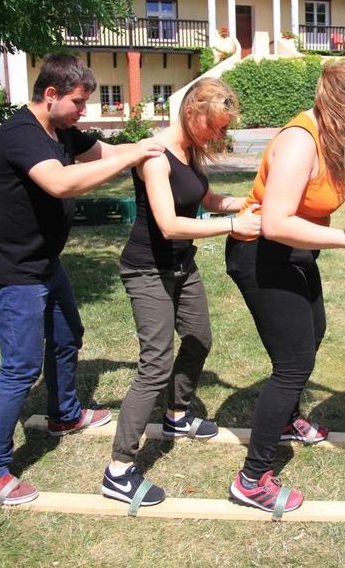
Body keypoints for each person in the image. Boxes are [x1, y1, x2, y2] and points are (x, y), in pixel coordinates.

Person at [0, 54, 164, 507]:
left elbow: (106, 153)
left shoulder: (60, 130)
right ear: (51, 94)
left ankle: (64, 415)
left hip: (43, 262)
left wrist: (156, 146)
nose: (84, 111)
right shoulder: (21, 134)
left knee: (66, 336)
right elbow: (60, 184)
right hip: (11, 269)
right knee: (19, 367)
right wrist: (132, 156)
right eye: (78, 102)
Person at [225, 59, 345, 515]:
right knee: (293, 361)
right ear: (342, 102)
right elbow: (276, 224)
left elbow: (341, 188)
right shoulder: (300, 141)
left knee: (312, 332)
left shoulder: (331, 138)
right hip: (260, 253)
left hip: (294, 255)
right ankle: (252, 479)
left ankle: (287, 420)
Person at [101, 78, 260, 508]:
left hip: (180, 265)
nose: (218, 136)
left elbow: (204, 197)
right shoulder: (155, 155)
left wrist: (249, 203)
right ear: (192, 112)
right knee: (155, 363)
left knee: (199, 338)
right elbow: (169, 224)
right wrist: (233, 226)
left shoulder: (189, 152)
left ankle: (176, 415)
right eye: (214, 127)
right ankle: (118, 471)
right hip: (146, 268)